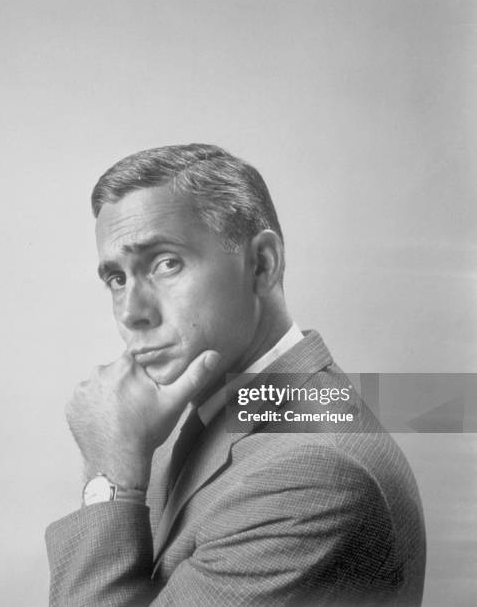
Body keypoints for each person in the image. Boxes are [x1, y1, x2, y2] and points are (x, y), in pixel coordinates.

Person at [45, 144, 426, 606]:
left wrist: (108, 476)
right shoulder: (198, 412)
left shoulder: (312, 473)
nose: (131, 312)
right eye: (117, 278)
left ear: (263, 264)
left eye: (166, 263)